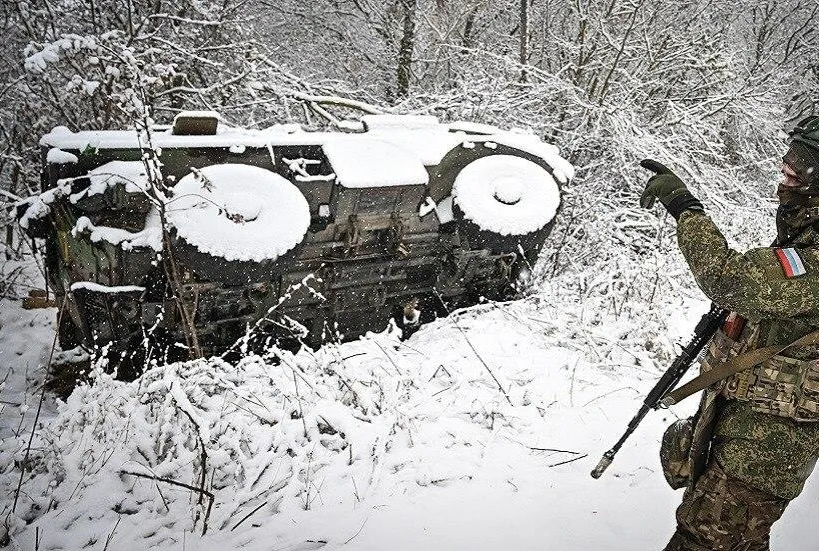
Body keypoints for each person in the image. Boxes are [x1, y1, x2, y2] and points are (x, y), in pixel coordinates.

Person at [640, 115, 819, 551]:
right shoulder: (801, 240)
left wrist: (685, 207)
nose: (786, 165)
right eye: (791, 153)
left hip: (765, 452)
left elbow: (730, 278)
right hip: (747, 432)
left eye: (803, 160)